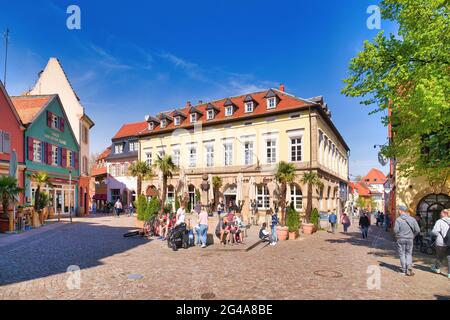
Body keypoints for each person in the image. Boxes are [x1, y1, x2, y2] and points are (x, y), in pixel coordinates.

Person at [394, 205, 420, 276]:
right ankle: (409, 267)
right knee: (409, 253)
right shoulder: (412, 219)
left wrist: (397, 236)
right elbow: (418, 230)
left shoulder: (398, 219)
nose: (398, 211)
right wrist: (413, 236)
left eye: (399, 210)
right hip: (410, 239)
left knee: (402, 254)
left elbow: (396, 230)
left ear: (401, 211)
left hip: (401, 238)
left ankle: (404, 270)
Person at [430, 208, 450, 278]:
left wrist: (433, 234)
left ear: (445, 214)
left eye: (441, 213)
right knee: (449, 257)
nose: (440, 214)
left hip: (441, 242)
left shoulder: (439, 221)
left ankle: (437, 268)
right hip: (449, 242)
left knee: (439, 256)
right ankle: (449, 274)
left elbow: (434, 232)